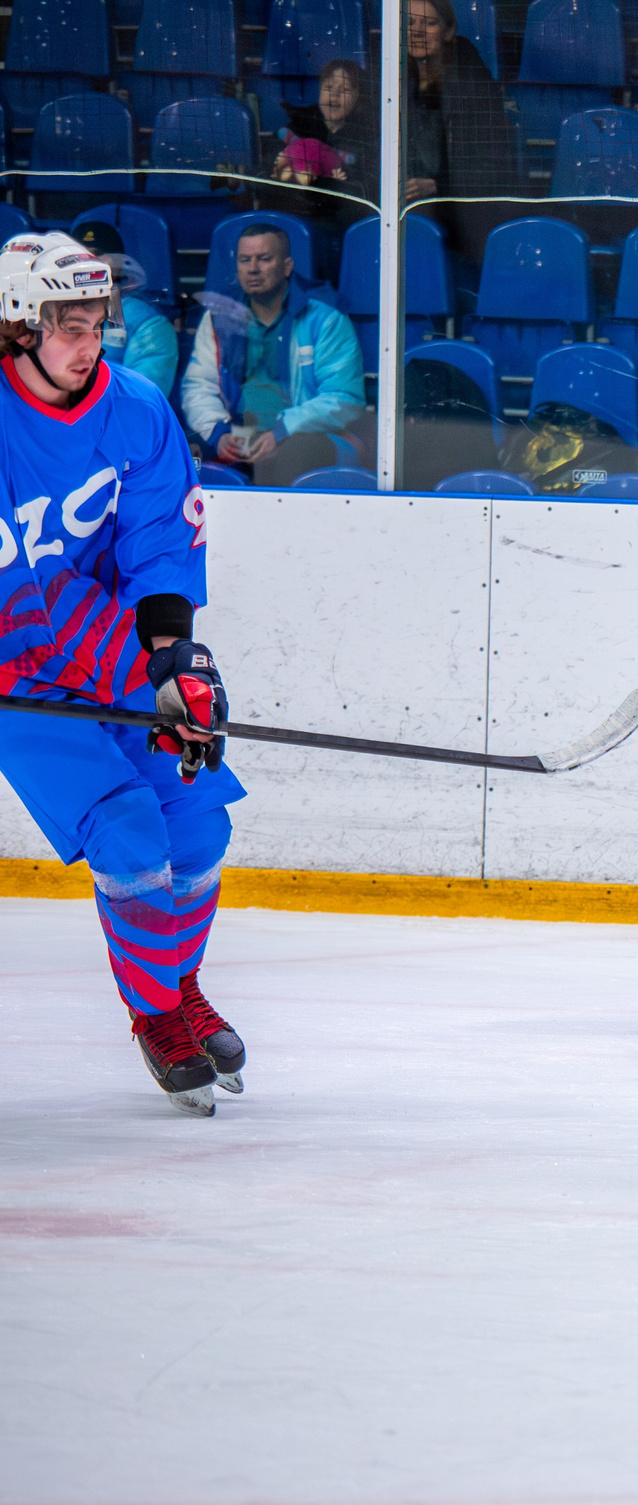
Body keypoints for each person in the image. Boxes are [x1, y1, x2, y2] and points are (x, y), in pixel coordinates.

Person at [0, 233, 248, 1116]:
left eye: (94, 321)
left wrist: (176, 662)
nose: (87, 340)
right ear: (18, 325)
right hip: (11, 671)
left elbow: (158, 549)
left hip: (98, 638)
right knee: (129, 833)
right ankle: (157, 1014)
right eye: (65, 323)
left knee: (198, 819)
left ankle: (177, 987)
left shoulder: (136, 409)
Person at [179, 222, 367, 488]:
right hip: (241, 433)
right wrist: (219, 433)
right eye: (245, 260)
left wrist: (281, 431)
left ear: (287, 266)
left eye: (264, 259)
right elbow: (198, 386)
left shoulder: (325, 316)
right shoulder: (220, 317)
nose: (253, 269)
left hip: (308, 435)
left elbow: (344, 398)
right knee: (187, 455)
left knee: (291, 456)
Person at [401, 0, 527, 263]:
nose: (417, 31)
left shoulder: (473, 86)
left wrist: (438, 185)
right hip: (411, 199)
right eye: (410, 22)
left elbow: (490, 172)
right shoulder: (393, 79)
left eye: (430, 23)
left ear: (448, 32)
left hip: (463, 205)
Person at [269, 59, 381, 236]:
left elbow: (366, 191)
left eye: (344, 90)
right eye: (328, 88)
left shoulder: (368, 136)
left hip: (343, 226)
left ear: (358, 96)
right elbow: (272, 175)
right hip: (296, 220)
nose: (334, 96)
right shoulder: (298, 127)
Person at [68, 220, 178, 398]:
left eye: (95, 257)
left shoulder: (147, 323)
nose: (84, 266)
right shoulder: (50, 315)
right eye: (77, 258)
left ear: (118, 265)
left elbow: (140, 399)